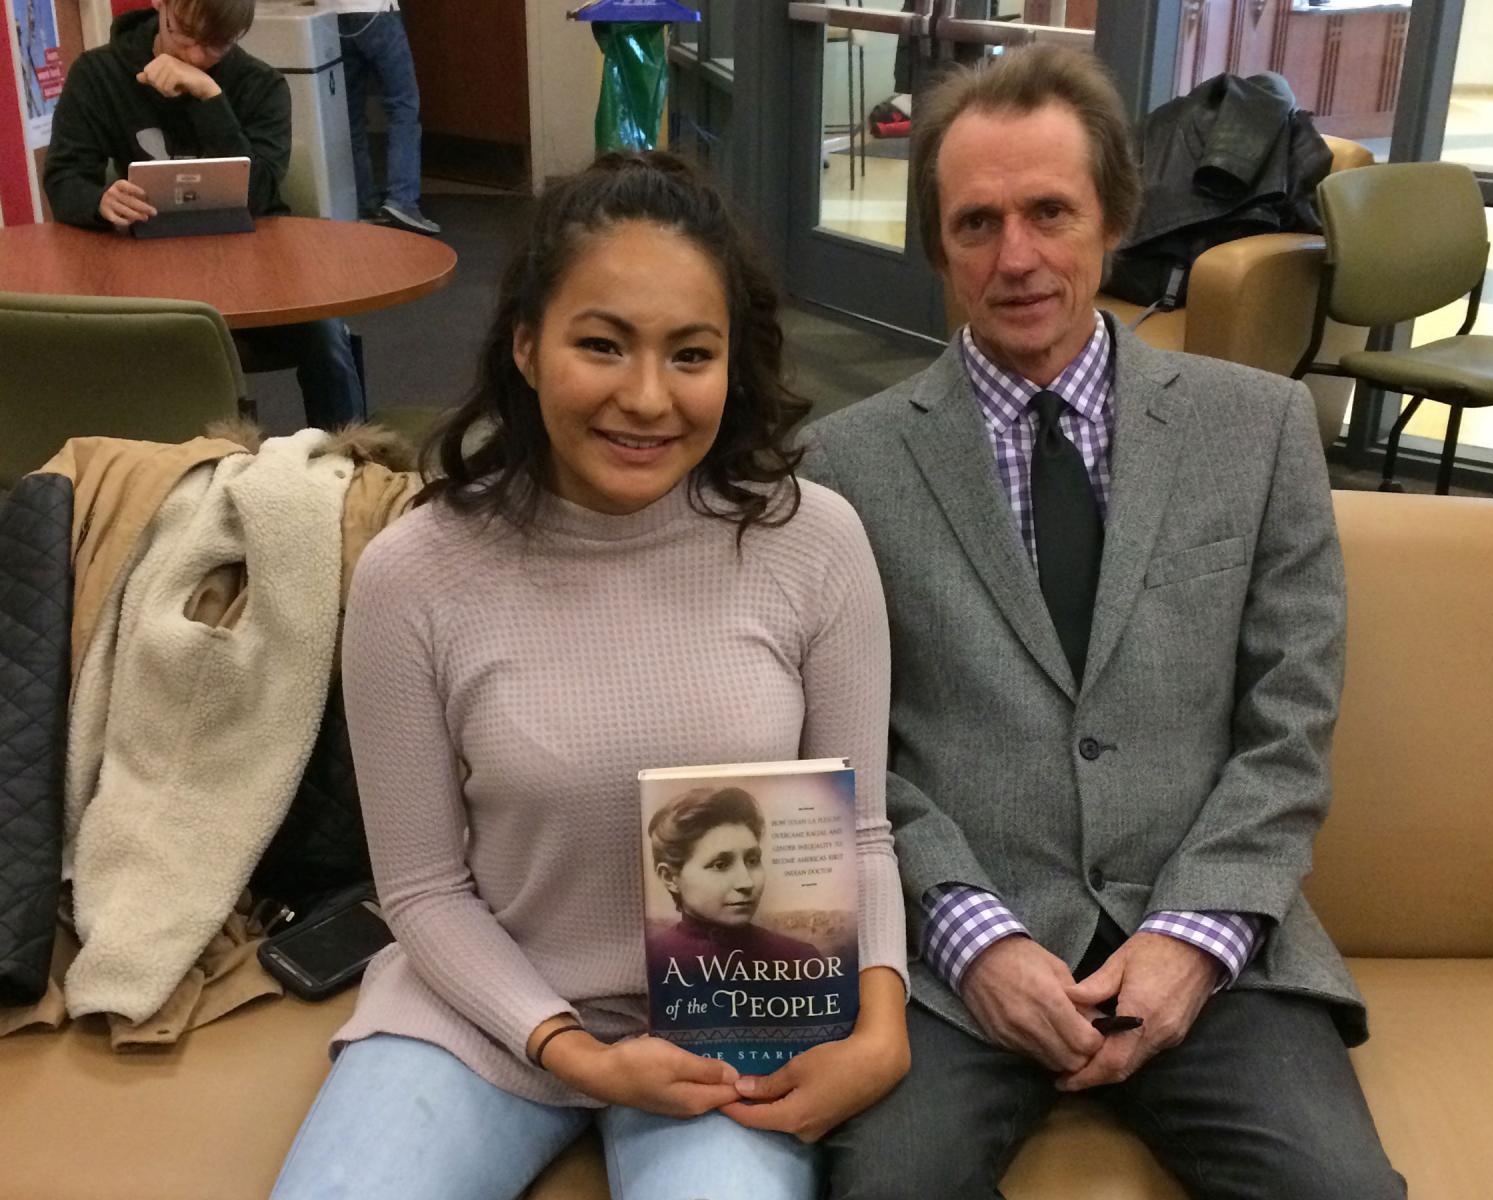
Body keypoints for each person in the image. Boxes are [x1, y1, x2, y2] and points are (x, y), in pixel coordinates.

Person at [795, 44, 1406, 1199]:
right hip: (955, 957)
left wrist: (1197, 936)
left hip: (1212, 944)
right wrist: (974, 938)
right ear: (936, 244)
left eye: (1049, 212)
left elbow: (1289, 723)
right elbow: (847, 753)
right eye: (975, 223)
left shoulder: (1259, 430)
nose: (1015, 257)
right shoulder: (844, 467)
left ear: (1115, 217)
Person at [270, 151, 910, 1200]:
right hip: (480, 1012)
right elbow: (424, 891)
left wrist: (879, 1026)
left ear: (732, 363)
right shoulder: (413, 575)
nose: (646, 398)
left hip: (734, 1018)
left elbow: (860, 835)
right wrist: (573, 1050)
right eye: (602, 345)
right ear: (526, 344)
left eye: (691, 354)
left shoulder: (815, 543)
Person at [42, 0, 367, 432]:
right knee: (112, 351)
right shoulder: (99, 74)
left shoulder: (258, 84)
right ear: (160, 5)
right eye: (183, 35)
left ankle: (349, 466)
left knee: (326, 335)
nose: (194, 55)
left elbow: (257, 193)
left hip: (254, 267)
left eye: (215, 46)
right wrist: (98, 200)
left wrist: (209, 97)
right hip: (148, 270)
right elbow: (65, 178)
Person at [646, 786, 827, 965]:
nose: (746, 882)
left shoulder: (800, 960)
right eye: (720, 865)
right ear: (669, 877)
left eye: (752, 860)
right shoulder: (658, 959)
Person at [323, 1, 439, 235]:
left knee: (350, 115)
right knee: (403, 106)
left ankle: (364, 205)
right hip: (376, 12)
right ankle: (402, 199)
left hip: (329, 17)